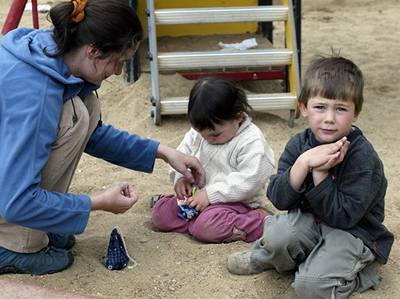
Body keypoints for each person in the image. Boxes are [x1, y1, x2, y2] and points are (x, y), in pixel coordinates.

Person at [0, 0, 205, 275]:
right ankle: (14, 243)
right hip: (12, 200)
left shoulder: (50, 50)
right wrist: (95, 203)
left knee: (83, 106)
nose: (118, 72)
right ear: (93, 50)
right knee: (74, 115)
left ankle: (37, 225)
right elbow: (17, 200)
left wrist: (164, 151)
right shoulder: (36, 96)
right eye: (117, 62)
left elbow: (92, 135)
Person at [226, 55, 394, 298]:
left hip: (354, 233)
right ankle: (271, 256)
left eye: (341, 109)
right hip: (311, 223)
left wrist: (321, 174)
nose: (329, 118)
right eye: (320, 107)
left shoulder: (363, 158)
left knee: (311, 286)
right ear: (303, 107)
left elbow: (343, 218)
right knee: (278, 236)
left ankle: (359, 273)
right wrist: (303, 163)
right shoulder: (299, 144)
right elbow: (279, 200)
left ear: (355, 112)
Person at [151, 77, 275, 243]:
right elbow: (181, 155)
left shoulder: (251, 141)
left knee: (207, 226)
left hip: (234, 203)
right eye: (202, 133)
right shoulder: (202, 131)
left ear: (238, 117)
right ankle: (197, 225)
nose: (208, 139)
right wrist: (180, 178)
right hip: (197, 199)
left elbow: (249, 181)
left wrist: (210, 195)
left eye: (215, 134)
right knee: (161, 214)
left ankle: (259, 222)